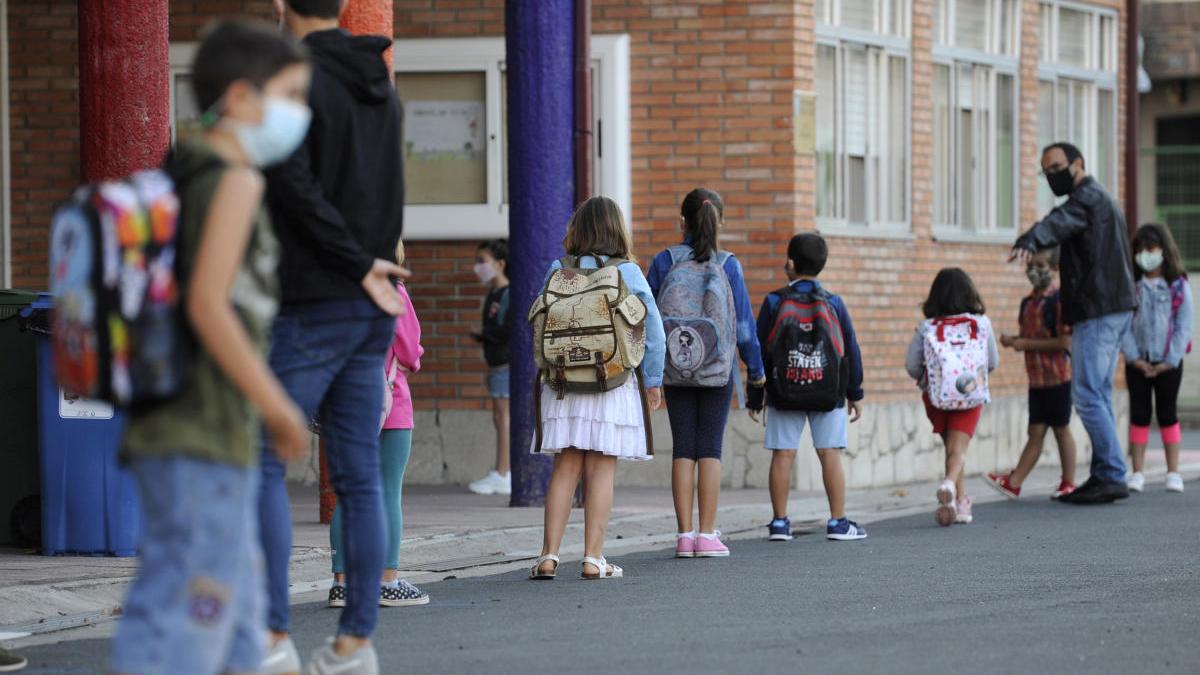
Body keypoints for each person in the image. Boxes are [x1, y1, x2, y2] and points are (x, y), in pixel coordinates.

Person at [110, 21, 311, 675]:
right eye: (291, 94)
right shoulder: (234, 180)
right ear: (240, 98)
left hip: (175, 421)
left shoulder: (183, 169)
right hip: (205, 426)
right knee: (191, 607)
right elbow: (207, 303)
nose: (298, 113)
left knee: (238, 612)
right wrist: (276, 404)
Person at [261, 1, 408, 672]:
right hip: (375, 302)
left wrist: (350, 261)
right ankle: (354, 643)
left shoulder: (294, 77)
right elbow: (390, 195)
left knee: (263, 456)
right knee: (359, 475)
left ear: (279, 6)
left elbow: (290, 183)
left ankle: (268, 638)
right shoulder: (381, 85)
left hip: (315, 299)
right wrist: (373, 266)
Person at [528, 196, 665, 581]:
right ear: (617, 229)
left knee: (565, 467)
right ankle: (593, 558)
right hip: (612, 380)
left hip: (563, 382)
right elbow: (652, 329)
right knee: (602, 469)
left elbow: (540, 322)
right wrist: (653, 381)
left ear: (578, 230)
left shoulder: (559, 268)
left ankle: (547, 556)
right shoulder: (628, 271)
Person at [1010, 142, 1137, 505]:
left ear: (1078, 164)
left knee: (1085, 394)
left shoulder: (1088, 199)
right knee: (1097, 394)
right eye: (1045, 171)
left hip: (1099, 310)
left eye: (1056, 167)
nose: (1051, 176)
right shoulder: (1101, 200)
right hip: (1111, 307)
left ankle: (1111, 474)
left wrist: (1031, 239)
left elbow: (1059, 221)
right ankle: (1104, 473)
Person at [647, 188, 765, 558]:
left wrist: (648, 371)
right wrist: (756, 371)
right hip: (717, 368)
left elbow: (649, 321)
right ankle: (707, 535)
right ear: (720, 222)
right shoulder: (729, 264)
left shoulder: (664, 261)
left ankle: (684, 536)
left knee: (683, 448)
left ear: (681, 222)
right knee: (709, 449)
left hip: (674, 367)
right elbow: (744, 325)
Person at [328, 240, 428, 610]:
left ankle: (341, 581)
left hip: (345, 401)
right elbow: (409, 349)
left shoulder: (336, 291)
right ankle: (387, 579)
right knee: (387, 491)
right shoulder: (392, 289)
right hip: (390, 403)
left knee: (348, 492)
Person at [749, 233, 867, 544]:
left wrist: (755, 395)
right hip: (827, 391)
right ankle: (838, 522)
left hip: (783, 390)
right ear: (823, 265)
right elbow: (850, 349)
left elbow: (760, 350)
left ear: (789, 263)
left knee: (783, 455)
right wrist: (854, 392)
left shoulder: (775, 301)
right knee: (829, 454)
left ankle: (779, 523)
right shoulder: (834, 302)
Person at [906, 268, 999, 527]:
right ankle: (949, 485)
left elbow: (911, 364)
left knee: (952, 448)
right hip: (970, 395)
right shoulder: (981, 324)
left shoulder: (927, 327)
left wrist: (927, 382)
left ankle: (960, 502)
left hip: (936, 397)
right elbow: (992, 361)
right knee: (958, 450)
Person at [986, 248, 1078, 500]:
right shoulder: (1027, 303)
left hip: (1058, 377)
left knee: (1061, 429)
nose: (1034, 271)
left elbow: (1064, 342)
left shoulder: (1059, 301)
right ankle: (1014, 482)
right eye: (1031, 266)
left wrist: (1023, 344)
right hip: (1036, 379)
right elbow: (1030, 338)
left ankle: (1069, 481)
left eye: (1040, 266)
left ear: (1054, 268)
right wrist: (1013, 341)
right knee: (1035, 431)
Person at [1122, 223, 1193, 494]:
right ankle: (1137, 472)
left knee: (1167, 414)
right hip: (1138, 361)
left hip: (1168, 363)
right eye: (1140, 249)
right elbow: (1124, 324)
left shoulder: (1177, 286)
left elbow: (1184, 325)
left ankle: (1173, 472)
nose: (1145, 254)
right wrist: (1133, 356)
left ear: (1164, 250)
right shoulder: (1132, 287)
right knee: (1139, 415)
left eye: (1150, 249)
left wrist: (1170, 360)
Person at [468, 239, 512, 496]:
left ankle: (503, 472)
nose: (478, 268)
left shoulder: (507, 293)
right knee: (499, 417)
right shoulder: (493, 294)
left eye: (482, 262)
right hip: (495, 363)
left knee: (503, 416)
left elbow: (507, 330)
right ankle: (501, 470)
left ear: (500, 264)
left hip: (505, 364)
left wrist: (485, 333)